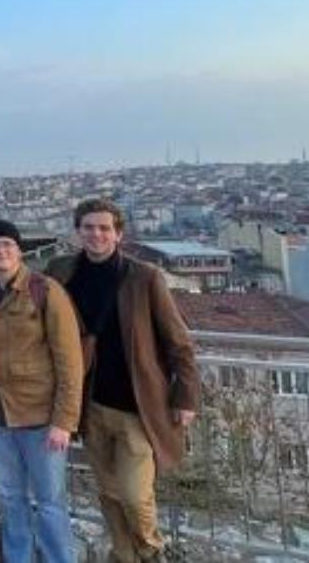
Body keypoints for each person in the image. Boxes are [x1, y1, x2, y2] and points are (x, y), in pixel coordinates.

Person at [46, 199, 200, 563]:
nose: (96, 234)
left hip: (137, 405)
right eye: (88, 227)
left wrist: (186, 396)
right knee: (108, 490)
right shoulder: (61, 270)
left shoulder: (144, 277)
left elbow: (178, 340)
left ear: (118, 233)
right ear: (78, 232)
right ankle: (123, 552)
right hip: (91, 403)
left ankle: (151, 550)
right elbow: (24, 286)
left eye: (103, 228)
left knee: (134, 493)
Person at [0, 220, 82, 563]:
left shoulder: (45, 290)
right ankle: (17, 557)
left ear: (19, 251)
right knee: (9, 496)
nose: (1, 252)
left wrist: (65, 420)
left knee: (49, 500)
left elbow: (69, 360)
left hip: (40, 413)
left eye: (7, 245)